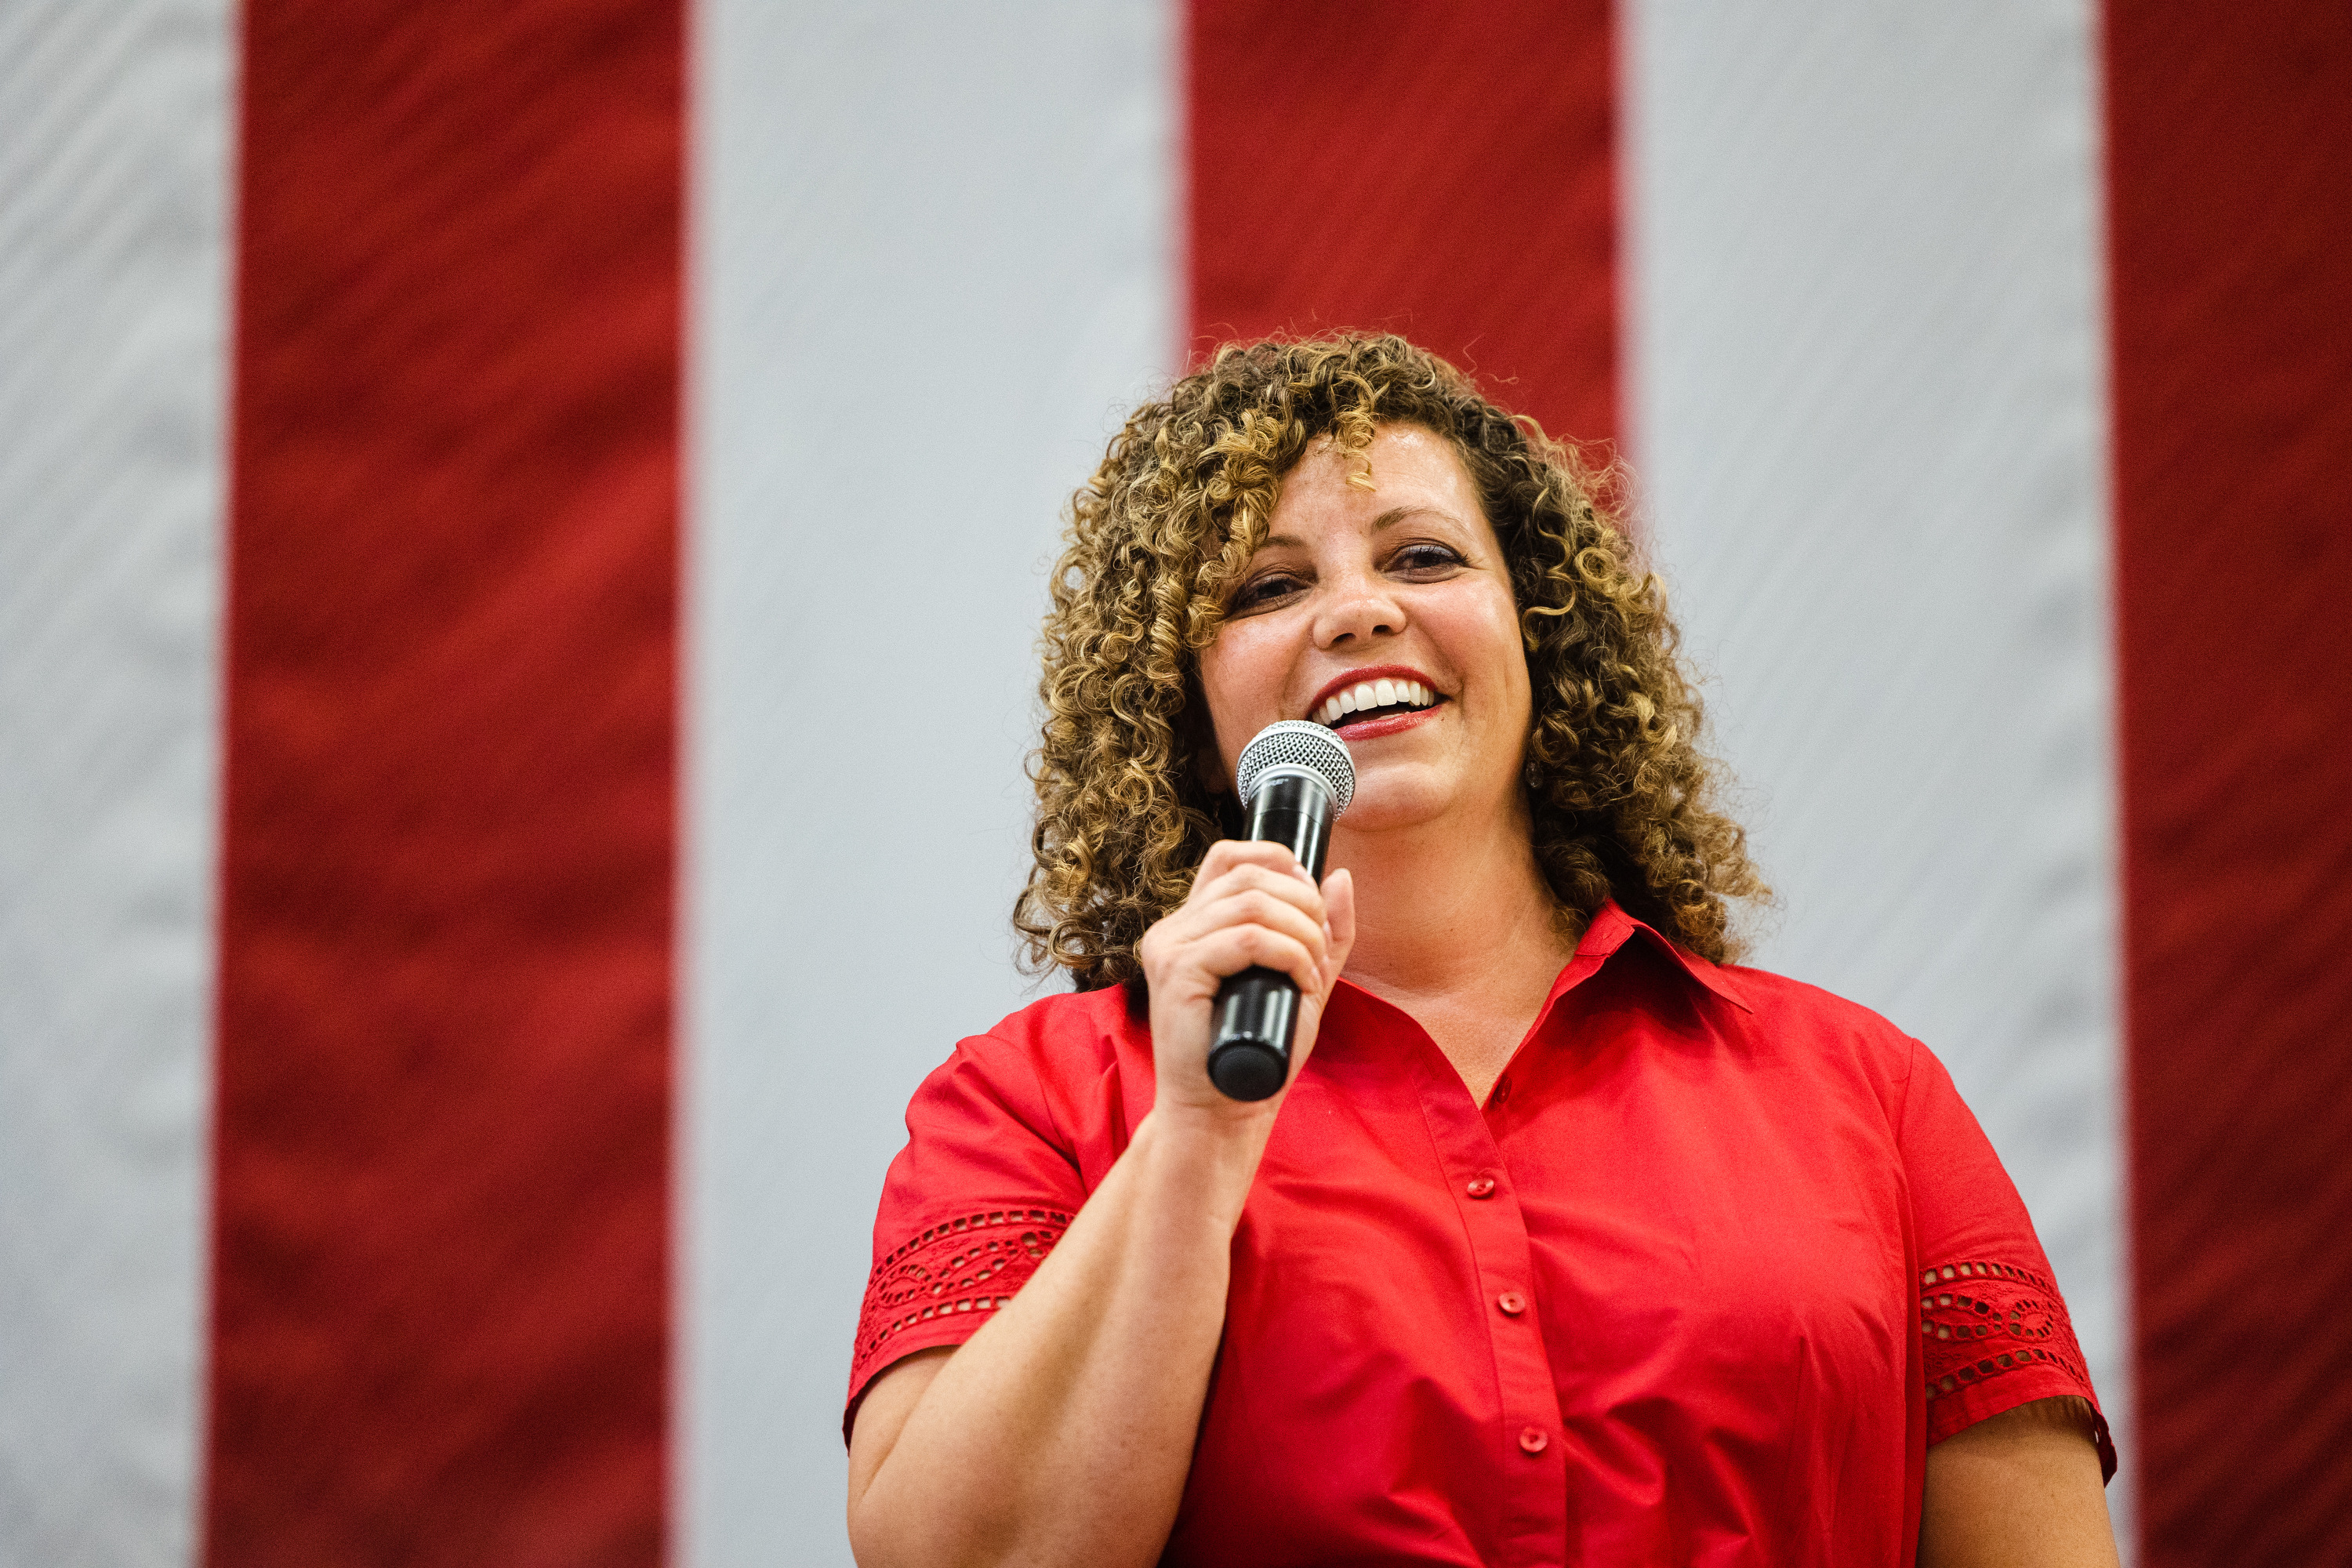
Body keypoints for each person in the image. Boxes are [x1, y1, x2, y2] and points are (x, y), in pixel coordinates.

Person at [843, 336, 2119, 1567]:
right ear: (1181, 698)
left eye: (1424, 556)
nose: (1358, 611)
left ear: (1542, 635)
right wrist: (1194, 1140)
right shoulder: (1030, 1103)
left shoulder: (1865, 1092)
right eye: (1270, 586)